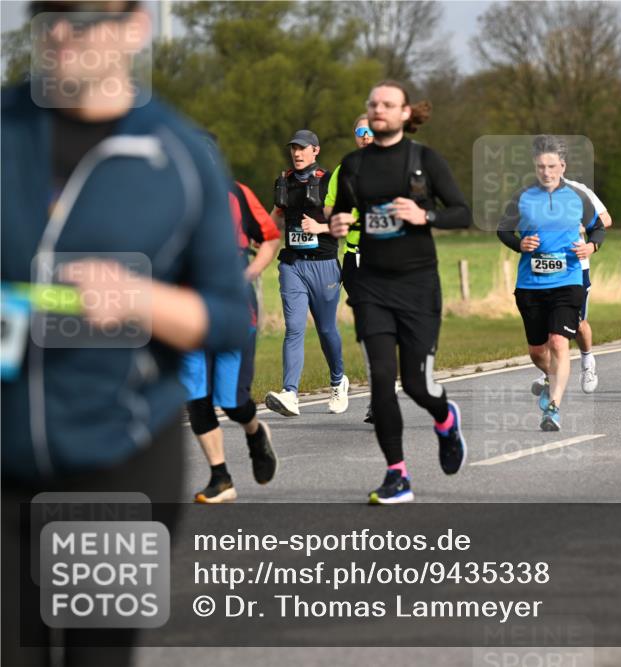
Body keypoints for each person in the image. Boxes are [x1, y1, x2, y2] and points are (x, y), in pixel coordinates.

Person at [1, 2, 249, 665]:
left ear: (136, 26)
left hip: (118, 464)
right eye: (47, 12)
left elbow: (229, 316)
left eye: (82, 17)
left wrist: (141, 300)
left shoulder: (179, 155)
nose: (58, 31)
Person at [328, 80, 471, 504]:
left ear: (406, 113)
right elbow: (342, 213)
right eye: (373, 104)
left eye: (388, 104)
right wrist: (338, 224)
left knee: (416, 384)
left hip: (418, 285)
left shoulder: (424, 160)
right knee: (381, 379)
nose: (378, 110)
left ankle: (446, 421)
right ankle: (397, 474)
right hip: (371, 284)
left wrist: (424, 214)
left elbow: (463, 211)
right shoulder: (354, 164)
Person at [183, 136, 281, 503]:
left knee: (233, 401)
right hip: (187, 314)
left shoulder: (237, 194)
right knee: (196, 396)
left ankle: (255, 432)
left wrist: (252, 271)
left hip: (234, 312)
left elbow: (270, 238)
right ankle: (220, 478)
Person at [499, 136, 605, 431]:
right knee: (537, 351)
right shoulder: (522, 196)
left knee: (559, 342)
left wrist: (591, 247)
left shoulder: (577, 197)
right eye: (540, 166)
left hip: (567, 281)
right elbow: (503, 230)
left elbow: (598, 228)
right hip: (530, 284)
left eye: (551, 166)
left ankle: (554, 408)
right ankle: (554, 379)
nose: (546, 172)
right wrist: (519, 244)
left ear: (562, 166)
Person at [264, 129, 349, 418]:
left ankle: (338, 381)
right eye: (293, 149)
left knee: (326, 329)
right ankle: (290, 393)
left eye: (303, 148)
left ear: (316, 150)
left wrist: (321, 228)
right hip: (293, 265)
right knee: (294, 328)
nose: (297, 153)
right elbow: (276, 214)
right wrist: (262, 233)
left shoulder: (329, 182)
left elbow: (347, 225)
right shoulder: (284, 182)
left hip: (324, 264)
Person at [537, 176, 612, 394]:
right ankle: (548, 373)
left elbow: (605, 219)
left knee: (577, 322)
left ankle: (588, 361)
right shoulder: (533, 192)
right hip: (543, 264)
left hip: (574, 265)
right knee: (546, 322)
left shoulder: (579, 191)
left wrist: (578, 226)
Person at [324, 114, 377, 423]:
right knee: (369, 331)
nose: (366, 136)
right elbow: (330, 205)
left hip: (389, 257)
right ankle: (377, 397)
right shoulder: (345, 169)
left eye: (371, 130)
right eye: (361, 131)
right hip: (356, 258)